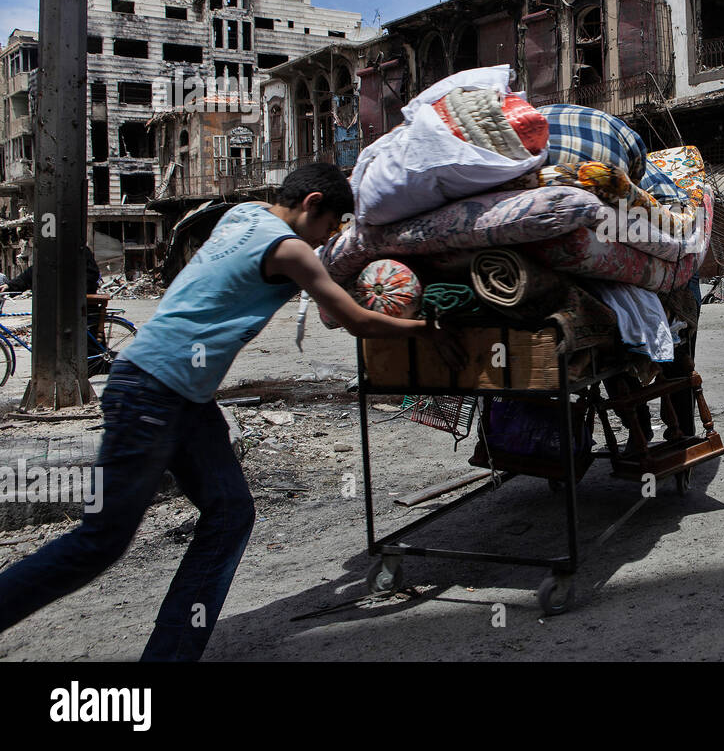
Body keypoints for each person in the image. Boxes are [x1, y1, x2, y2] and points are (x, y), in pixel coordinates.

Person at [0, 163, 462, 660]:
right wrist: (428, 330)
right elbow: (353, 320)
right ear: (311, 204)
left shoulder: (243, 213)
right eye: (332, 224)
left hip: (182, 395)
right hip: (153, 392)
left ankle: (172, 653)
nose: (333, 235)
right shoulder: (291, 251)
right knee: (100, 541)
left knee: (229, 513)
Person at [0, 243, 100, 295]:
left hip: (77, 304)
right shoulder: (52, 251)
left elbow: (92, 275)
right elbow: (34, 272)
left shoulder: (80, 250)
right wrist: (10, 286)